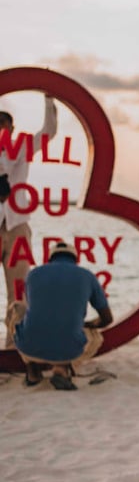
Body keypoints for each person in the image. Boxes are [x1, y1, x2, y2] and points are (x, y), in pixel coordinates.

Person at [10, 241, 112, 390]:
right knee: (96, 337)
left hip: (29, 347)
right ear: (75, 259)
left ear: (50, 259)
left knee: (17, 309)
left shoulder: (33, 274)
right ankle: (62, 368)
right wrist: (89, 325)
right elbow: (107, 319)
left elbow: (34, 311)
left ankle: (33, 369)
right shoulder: (87, 275)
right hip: (70, 350)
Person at [0, 94, 58, 347]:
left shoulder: (22, 148)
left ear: (11, 129)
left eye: (4, 123)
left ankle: (14, 345)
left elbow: (48, 132)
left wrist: (49, 99)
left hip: (16, 225)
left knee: (18, 291)